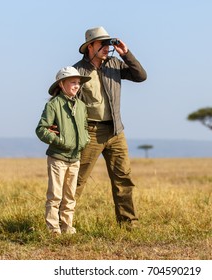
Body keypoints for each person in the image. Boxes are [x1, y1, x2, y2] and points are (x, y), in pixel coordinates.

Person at [73, 26, 147, 229]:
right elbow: (68, 104)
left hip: (116, 131)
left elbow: (141, 76)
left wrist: (126, 53)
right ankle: (62, 223)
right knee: (77, 179)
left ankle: (128, 224)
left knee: (123, 178)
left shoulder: (115, 64)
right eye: (102, 44)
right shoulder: (77, 71)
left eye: (108, 43)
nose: (107, 47)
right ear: (90, 46)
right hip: (90, 132)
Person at [36, 66, 91, 235]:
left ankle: (68, 227)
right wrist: (59, 141)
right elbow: (41, 129)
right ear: (61, 84)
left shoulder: (81, 105)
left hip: (75, 157)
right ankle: (53, 229)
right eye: (73, 82)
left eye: (78, 83)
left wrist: (85, 140)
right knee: (55, 195)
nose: (77, 86)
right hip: (58, 157)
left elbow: (84, 127)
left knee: (70, 196)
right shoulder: (53, 105)